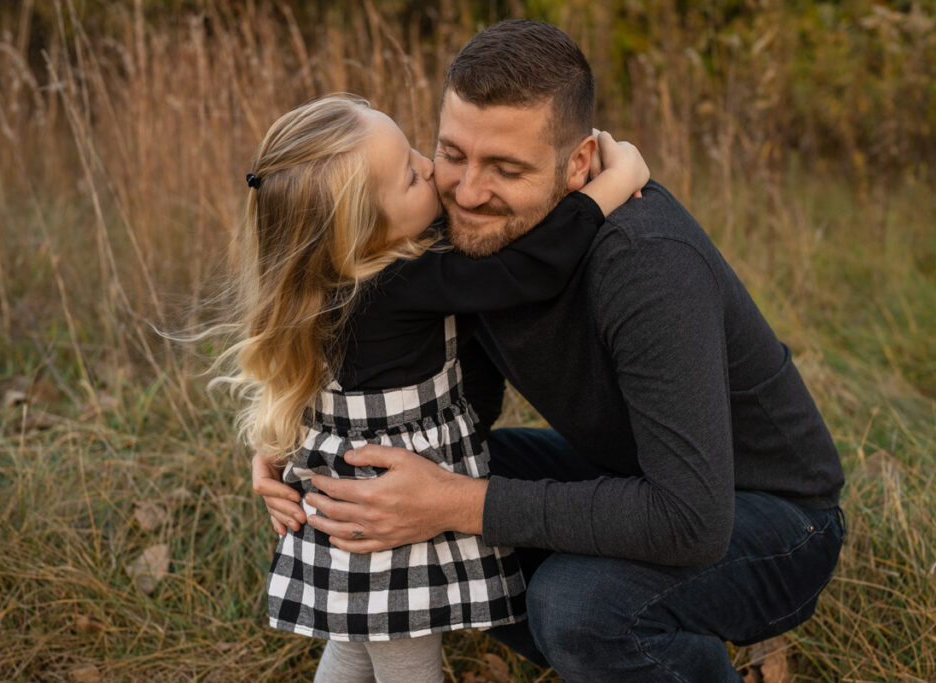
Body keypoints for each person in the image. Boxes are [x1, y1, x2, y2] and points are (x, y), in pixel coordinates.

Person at [254, 20, 846, 682]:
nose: (468, 192)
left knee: (578, 604)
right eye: (451, 154)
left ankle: (648, 644)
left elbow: (693, 519)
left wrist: (454, 502)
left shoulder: (646, 264)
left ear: (579, 164)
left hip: (768, 515)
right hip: (631, 472)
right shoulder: (457, 233)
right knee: (390, 485)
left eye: (506, 168)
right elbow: (454, 405)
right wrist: (300, 459)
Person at [224, 92, 649, 683]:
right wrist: (612, 185)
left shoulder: (330, 278)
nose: (430, 167)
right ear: (366, 229)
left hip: (352, 491)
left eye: (415, 151)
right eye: (409, 175)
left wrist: (274, 448)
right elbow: (528, 269)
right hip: (390, 502)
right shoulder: (403, 282)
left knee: (355, 645)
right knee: (404, 655)